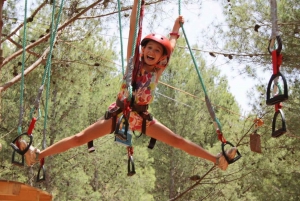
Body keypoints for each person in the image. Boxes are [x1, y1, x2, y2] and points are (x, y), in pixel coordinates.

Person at [18, 0, 237, 171]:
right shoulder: (133, 62)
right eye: (149, 48)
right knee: (80, 137)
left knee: (177, 140)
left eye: (156, 51)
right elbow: (134, 29)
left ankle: (216, 160)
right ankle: (37, 155)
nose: (151, 53)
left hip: (142, 118)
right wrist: (136, 4)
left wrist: (175, 28)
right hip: (119, 114)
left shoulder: (157, 71)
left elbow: (172, 45)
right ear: (143, 50)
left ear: (161, 57)